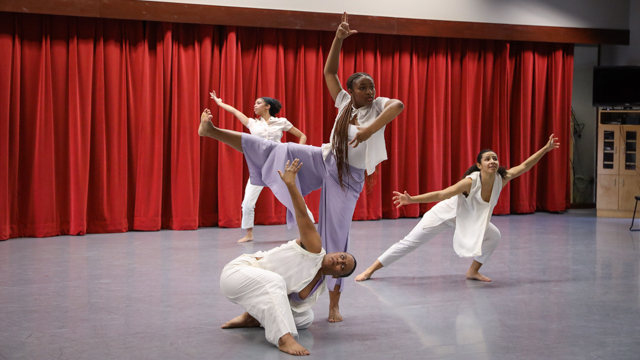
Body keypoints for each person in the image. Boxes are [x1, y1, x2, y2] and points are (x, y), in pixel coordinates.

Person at [199, 12, 403, 322]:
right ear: (351, 90)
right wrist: (338, 38)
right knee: (278, 149)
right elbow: (329, 71)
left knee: (335, 236)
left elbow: (398, 106)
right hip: (325, 158)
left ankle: (334, 303)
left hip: (349, 177)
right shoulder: (344, 102)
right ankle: (212, 132)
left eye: (371, 87)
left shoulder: (377, 106)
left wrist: (369, 130)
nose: (370, 91)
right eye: (363, 87)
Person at [355, 134, 560, 283]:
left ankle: (472, 271)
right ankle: (371, 270)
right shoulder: (470, 182)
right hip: (444, 215)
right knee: (409, 242)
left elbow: (524, 166)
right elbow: (442, 194)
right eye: (487, 159)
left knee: (494, 236)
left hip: (468, 221)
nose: (492, 161)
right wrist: (412, 200)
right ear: (479, 165)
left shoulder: (501, 178)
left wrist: (545, 148)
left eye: (494, 158)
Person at [219, 159, 357, 356]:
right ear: (335, 252)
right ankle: (284, 339)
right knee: (276, 282)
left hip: (256, 290)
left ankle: (251, 318)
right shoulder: (314, 249)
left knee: (305, 318)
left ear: (336, 275)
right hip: (237, 275)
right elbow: (302, 216)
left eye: (342, 267)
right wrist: (291, 184)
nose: (339, 261)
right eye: (342, 256)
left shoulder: (318, 287)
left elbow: (286, 304)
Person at [209, 91, 313, 243]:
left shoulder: (281, 122)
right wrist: (219, 103)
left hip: (279, 165)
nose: (255, 105)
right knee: (247, 202)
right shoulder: (253, 123)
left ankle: (310, 230)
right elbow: (235, 112)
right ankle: (249, 234)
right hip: (260, 167)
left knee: (296, 199)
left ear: (267, 106)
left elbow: (302, 136)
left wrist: (297, 153)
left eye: (258, 103)